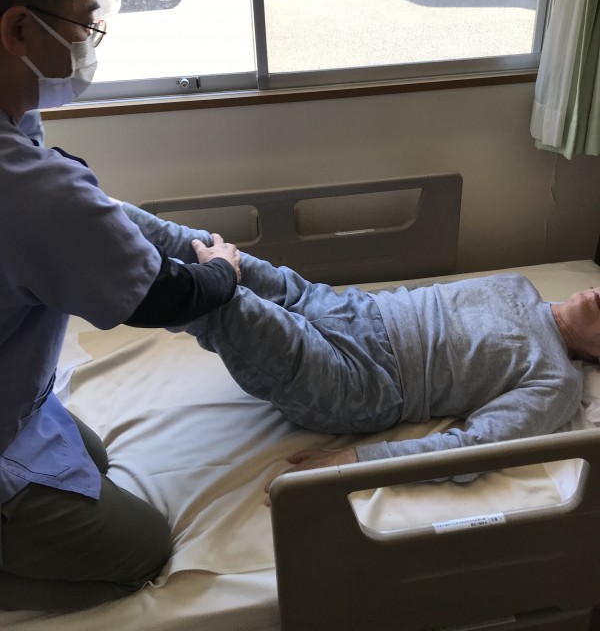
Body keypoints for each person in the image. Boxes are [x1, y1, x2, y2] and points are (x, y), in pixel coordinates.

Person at [0, 0, 241, 612]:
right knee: (141, 550)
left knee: (94, 458)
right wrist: (220, 274)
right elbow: (161, 295)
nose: (90, 39)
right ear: (18, 29)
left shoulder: (21, 142)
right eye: (83, 22)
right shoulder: (29, 189)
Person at [122, 205, 593, 488]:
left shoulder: (557, 381)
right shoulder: (520, 284)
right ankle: (91, 208)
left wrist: (353, 461)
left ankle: (107, 264)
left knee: (221, 300)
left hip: (359, 380)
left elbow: (474, 450)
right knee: (193, 243)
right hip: (335, 305)